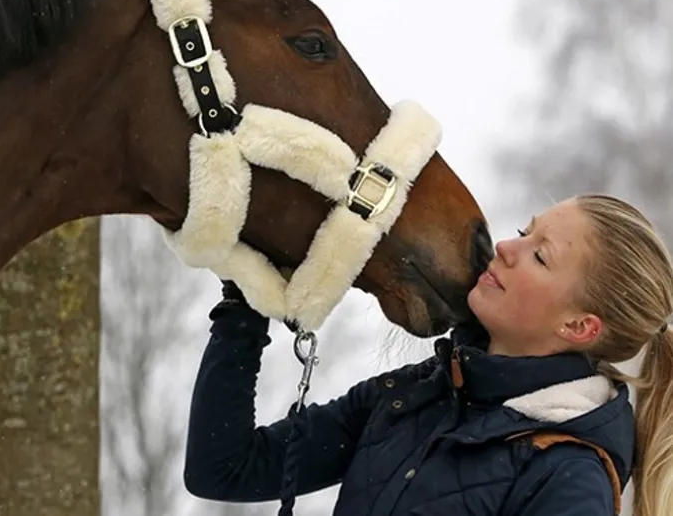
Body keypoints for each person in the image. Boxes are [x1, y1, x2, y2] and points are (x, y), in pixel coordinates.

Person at [183, 194, 673, 516]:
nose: (505, 247)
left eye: (540, 255)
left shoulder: (569, 478)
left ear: (579, 326)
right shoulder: (417, 395)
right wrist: (244, 302)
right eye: (526, 231)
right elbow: (226, 467)